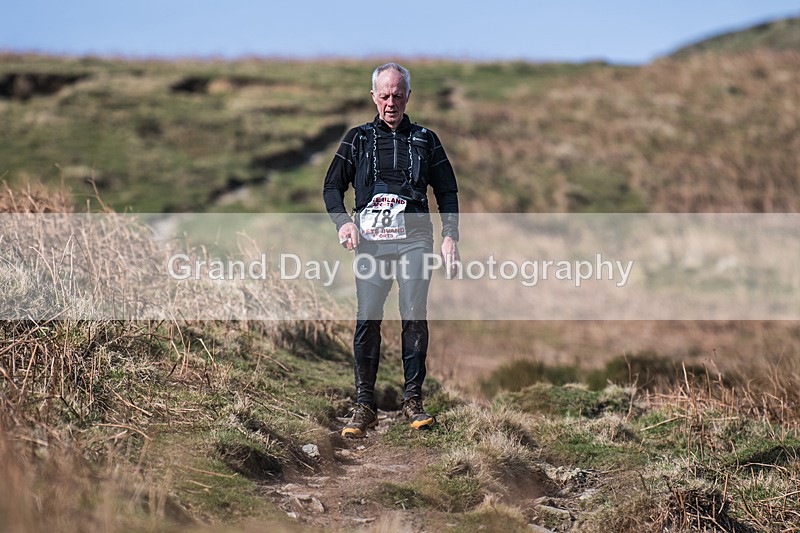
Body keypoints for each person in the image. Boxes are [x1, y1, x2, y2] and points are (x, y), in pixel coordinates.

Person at [323, 62, 460, 438]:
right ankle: (364, 405)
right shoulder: (357, 139)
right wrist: (344, 223)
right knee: (368, 317)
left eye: (398, 95)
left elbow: (447, 191)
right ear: (373, 96)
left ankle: (413, 401)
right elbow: (331, 188)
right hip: (371, 242)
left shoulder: (426, 140)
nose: (391, 102)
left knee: (413, 312)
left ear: (408, 97)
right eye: (384, 95)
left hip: (416, 238)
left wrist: (450, 235)